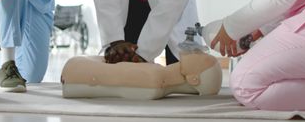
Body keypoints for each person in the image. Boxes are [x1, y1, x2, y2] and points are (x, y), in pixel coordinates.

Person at [61, 52, 221, 99]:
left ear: (194, 79)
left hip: (74, 72)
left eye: (199, 59)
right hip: (77, 69)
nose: (195, 54)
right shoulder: (156, 75)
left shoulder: (154, 79)